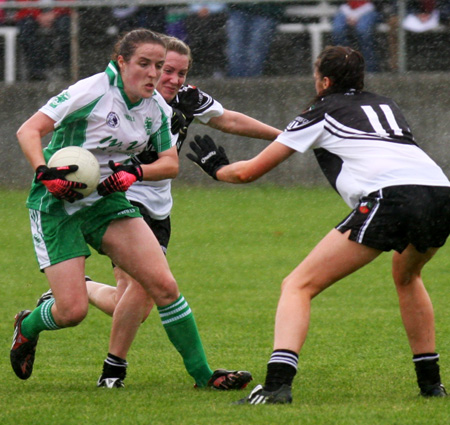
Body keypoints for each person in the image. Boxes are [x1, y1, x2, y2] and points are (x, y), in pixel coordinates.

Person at [186, 45, 450, 404]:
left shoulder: (320, 111)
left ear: (324, 80)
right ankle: (431, 385)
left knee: (298, 285)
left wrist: (217, 169)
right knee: (407, 277)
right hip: (439, 192)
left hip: (391, 196)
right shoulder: (385, 105)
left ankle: (278, 385)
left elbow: (249, 172)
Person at [10, 29, 251, 393]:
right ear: (120, 62)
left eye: (158, 65)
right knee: (72, 312)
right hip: (57, 204)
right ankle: (27, 327)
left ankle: (205, 375)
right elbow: (29, 130)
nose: (153, 73)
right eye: (144, 64)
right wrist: (43, 173)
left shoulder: (156, 108)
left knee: (164, 286)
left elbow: (170, 163)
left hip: (107, 203)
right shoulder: (90, 91)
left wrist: (133, 172)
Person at [62, 35, 281, 388]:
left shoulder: (185, 99)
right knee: (145, 288)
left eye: (181, 72)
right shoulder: (118, 96)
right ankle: (114, 371)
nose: (173, 79)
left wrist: (285, 136)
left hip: (159, 205)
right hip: (120, 199)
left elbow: (231, 120)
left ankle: (75, 294)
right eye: (166, 70)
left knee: (136, 299)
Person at [14, 0, 72, 81]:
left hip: (62, 14)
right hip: (29, 15)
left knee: (66, 28)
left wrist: (55, 12)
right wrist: (37, 14)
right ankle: (36, 72)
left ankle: (64, 68)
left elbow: (70, 2)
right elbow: (21, 2)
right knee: (26, 30)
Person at [226, 3, 284, 77]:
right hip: (239, 9)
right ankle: (237, 80)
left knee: (255, 48)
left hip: (267, 11)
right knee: (236, 48)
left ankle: (250, 81)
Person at [332, 1, 380, 72]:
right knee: (338, 31)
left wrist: (358, 14)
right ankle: (344, 65)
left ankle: (370, 69)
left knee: (363, 31)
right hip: (345, 9)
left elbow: (379, 4)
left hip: (369, 9)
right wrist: (349, 12)